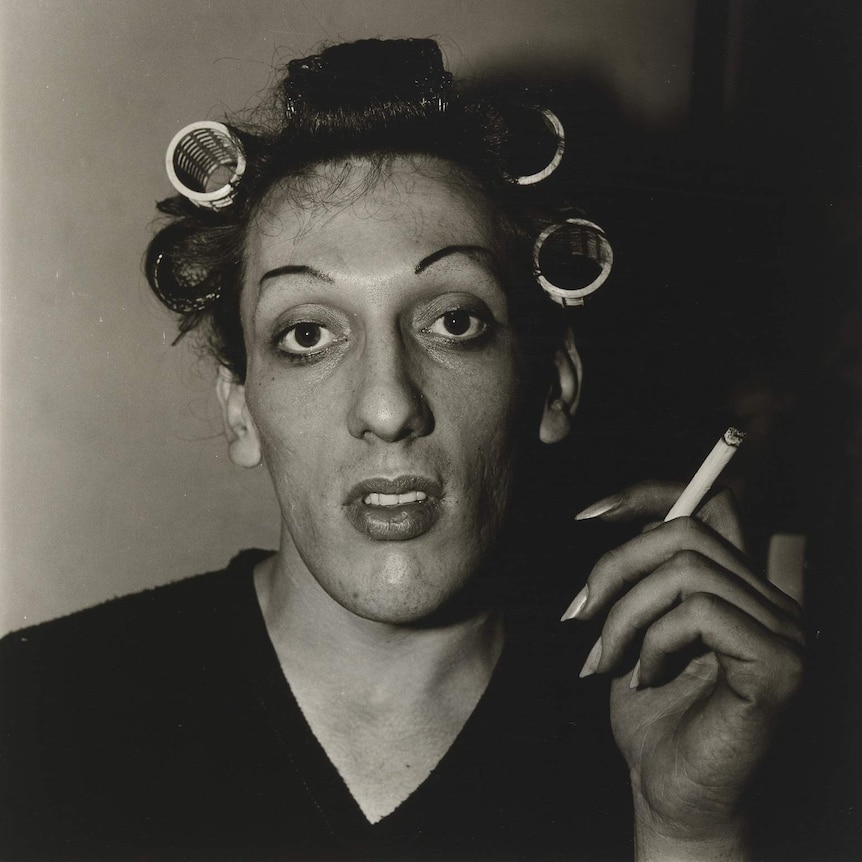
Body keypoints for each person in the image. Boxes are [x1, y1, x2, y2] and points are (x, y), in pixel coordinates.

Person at [0, 39, 804, 861]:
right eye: (307, 333)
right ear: (240, 407)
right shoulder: (34, 713)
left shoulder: (679, 728)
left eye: (455, 322)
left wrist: (690, 830)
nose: (388, 406)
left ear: (553, 384)